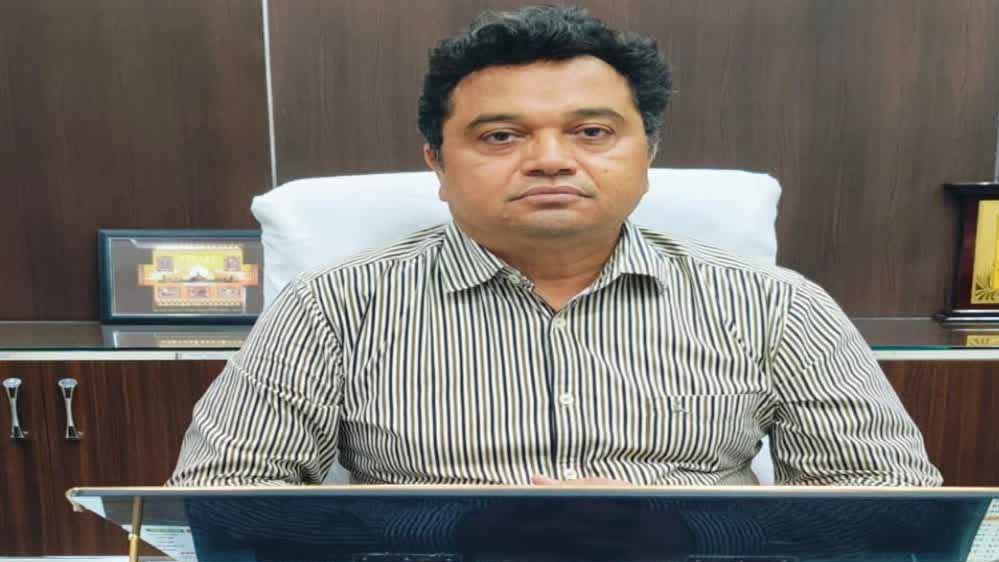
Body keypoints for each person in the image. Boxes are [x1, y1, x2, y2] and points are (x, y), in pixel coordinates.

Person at [168, 5, 941, 487]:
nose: (548, 160)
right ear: (437, 162)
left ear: (647, 153)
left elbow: (882, 501)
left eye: (591, 132)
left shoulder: (776, 306)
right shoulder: (331, 308)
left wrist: (673, 531)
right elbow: (227, 496)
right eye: (500, 136)